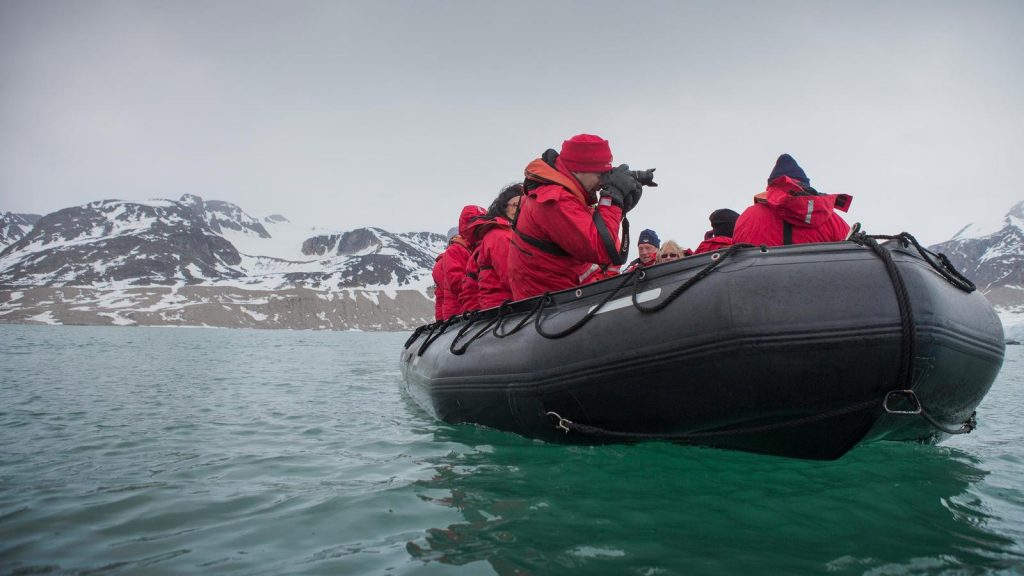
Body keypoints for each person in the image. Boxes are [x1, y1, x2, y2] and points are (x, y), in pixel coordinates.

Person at [507, 134, 646, 300]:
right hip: (553, 303)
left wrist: (619, 208)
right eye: (600, 175)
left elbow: (592, 231)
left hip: (565, 294)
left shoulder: (566, 192)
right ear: (578, 170)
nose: (602, 183)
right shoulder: (554, 200)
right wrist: (613, 198)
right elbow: (601, 248)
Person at [733, 154, 852, 246]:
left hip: (760, 271)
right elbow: (853, 256)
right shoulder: (829, 218)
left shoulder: (748, 216)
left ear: (770, 186)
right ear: (806, 186)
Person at [473, 183, 523, 309]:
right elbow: (510, 275)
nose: (520, 209)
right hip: (503, 305)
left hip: (505, 303)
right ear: (503, 208)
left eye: (523, 204)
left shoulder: (507, 232)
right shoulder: (499, 235)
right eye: (515, 205)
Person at [440, 205, 484, 320]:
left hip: (465, 305)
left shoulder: (470, 248)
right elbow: (455, 281)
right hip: (458, 309)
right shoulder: (454, 250)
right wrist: (480, 280)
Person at [454, 205, 489, 315]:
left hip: (479, 306)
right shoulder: (456, 250)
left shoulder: (476, 249)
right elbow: (455, 281)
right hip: (488, 306)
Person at [431, 226, 459, 321]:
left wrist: (440, 320)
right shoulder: (453, 257)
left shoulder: (438, 265)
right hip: (459, 311)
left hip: (449, 313)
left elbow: (440, 297)